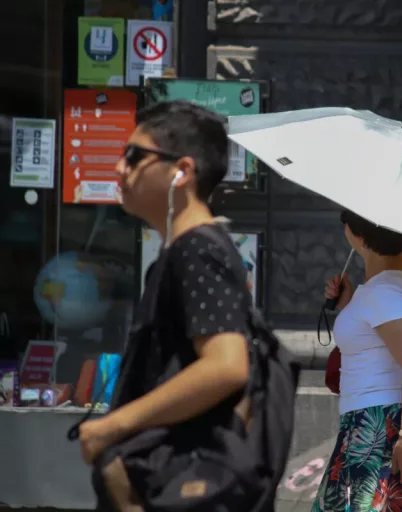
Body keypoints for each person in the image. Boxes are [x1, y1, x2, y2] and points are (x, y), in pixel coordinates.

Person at [77, 101, 257, 503]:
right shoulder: (185, 251)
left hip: (179, 487)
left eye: (136, 156)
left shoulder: (197, 251)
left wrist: (115, 425)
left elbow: (227, 366)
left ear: (182, 171)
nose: (119, 168)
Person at [312, 210, 402, 512]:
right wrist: (349, 305)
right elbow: (377, 337)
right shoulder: (398, 278)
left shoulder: (382, 293)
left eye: (345, 218)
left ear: (358, 235)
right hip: (376, 424)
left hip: (378, 428)